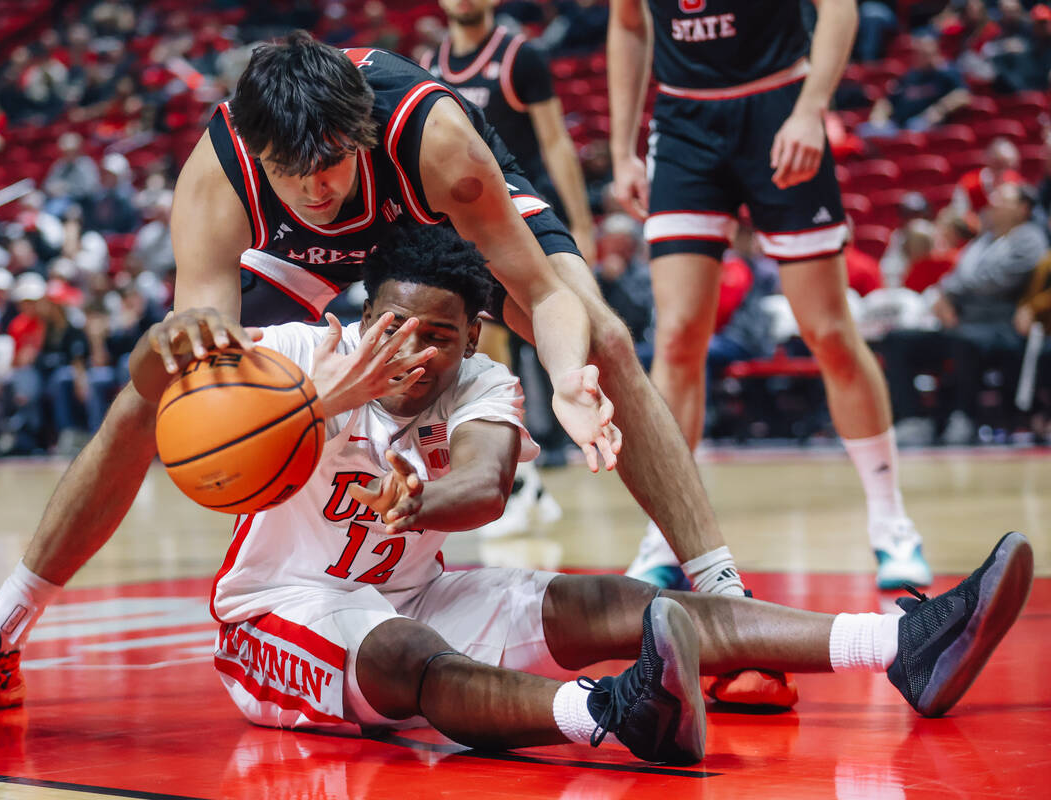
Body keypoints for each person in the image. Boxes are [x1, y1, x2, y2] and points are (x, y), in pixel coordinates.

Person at [0, 224, 1035, 767]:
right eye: (399, 331)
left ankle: (902, 637)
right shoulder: (292, 351)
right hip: (275, 616)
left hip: (416, 578)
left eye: (441, 338)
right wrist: (264, 382)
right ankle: (606, 715)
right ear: (363, 319)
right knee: (395, 656)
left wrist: (413, 488)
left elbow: (488, 484)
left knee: (613, 599)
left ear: (475, 336)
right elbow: (154, 384)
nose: (418, 355)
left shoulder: (485, 378)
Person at [0, 32, 749, 712]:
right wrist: (217, 392)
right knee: (145, 397)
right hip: (307, 260)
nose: (313, 185)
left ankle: (725, 602)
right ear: (255, 151)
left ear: (361, 134)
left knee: (602, 335)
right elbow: (209, 353)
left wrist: (566, 377)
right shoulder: (218, 173)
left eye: (332, 163)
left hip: (422, 212)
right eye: (290, 171)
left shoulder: (433, 136)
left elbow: (539, 294)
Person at [608, 0, 934, 600]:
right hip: (683, 123)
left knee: (829, 331)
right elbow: (628, 23)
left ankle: (892, 523)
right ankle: (667, 537)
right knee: (677, 337)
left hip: (778, 105)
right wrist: (623, 145)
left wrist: (812, 109)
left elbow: (839, 9)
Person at [421, 0, 597, 492]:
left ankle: (551, 441)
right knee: (489, 337)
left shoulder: (522, 57)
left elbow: (556, 141)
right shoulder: (430, 64)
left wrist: (580, 222)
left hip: (523, 210)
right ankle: (518, 464)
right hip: (464, 221)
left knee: (542, 329)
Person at [881, 182, 1047, 446]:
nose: (993, 202)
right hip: (961, 322)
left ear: (1023, 208)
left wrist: (951, 293)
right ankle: (913, 419)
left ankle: (963, 417)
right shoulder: (984, 240)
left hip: (1000, 327)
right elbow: (955, 277)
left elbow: (996, 281)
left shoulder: (1030, 238)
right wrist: (946, 295)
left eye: (1003, 199)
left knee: (963, 340)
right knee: (897, 340)